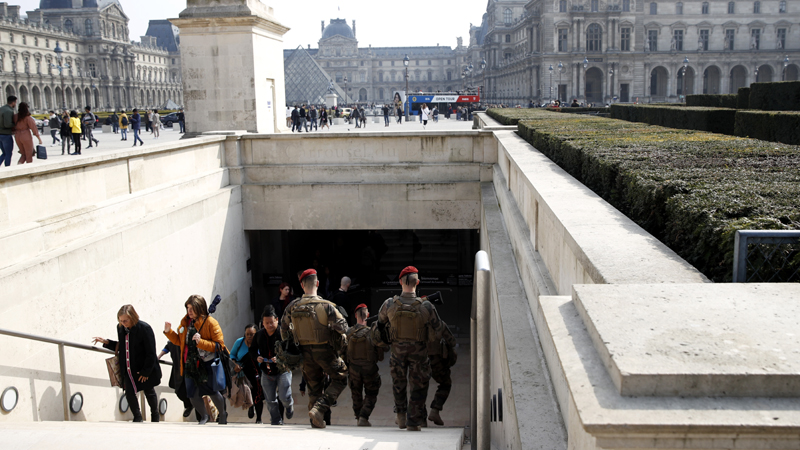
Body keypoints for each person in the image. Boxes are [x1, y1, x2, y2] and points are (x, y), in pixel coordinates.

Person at [377, 266, 444, 431]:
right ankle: (413, 421)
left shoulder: (389, 304)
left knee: (398, 383)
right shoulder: (427, 306)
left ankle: (401, 416)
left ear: (400, 281)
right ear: (418, 282)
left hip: (397, 352)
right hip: (419, 353)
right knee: (419, 384)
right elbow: (438, 328)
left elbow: (380, 323)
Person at [280, 268, 349, 428]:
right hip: (325, 351)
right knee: (341, 377)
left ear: (302, 285)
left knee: (313, 388)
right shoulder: (327, 306)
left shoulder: (292, 306)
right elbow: (344, 328)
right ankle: (320, 408)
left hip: (304, 353)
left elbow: (283, 330)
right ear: (317, 283)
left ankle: (315, 421)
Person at [164, 294, 228, 425]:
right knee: (191, 393)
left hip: (206, 363)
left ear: (200, 308)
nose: (190, 311)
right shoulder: (185, 322)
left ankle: (222, 415)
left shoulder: (211, 323)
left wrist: (201, 342)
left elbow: (219, 346)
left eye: (192, 308)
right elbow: (179, 341)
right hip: (190, 364)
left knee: (212, 391)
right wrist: (169, 332)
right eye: (188, 308)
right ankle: (203, 416)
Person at [93, 305, 162, 422]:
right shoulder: (120, 328)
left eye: (125, 320)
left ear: (133, 317)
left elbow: (151, 352)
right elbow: (123, 345)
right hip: (128, 368)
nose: (123, 323)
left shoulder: (144, 328)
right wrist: (106, 342)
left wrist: (146, 372)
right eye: (120, 320)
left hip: (144, 367)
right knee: (129, 392)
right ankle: (137, 417)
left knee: (149, 391)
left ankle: (155, 416)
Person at [346, 304, 384, 426]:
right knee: (371, 393)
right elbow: (382, 353)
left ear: (355, 316)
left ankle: (358, 417)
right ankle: (364, 416)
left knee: (355, 393)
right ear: (367, 315)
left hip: (353, 369)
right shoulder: (372, 333)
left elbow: (342, 352)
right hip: (369, 369)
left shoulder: (349, 333)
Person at [257, 305, 294, 425]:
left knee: (284, 397)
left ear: (277, 320)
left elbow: (293, 350)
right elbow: (252, 350)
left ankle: (289, 406)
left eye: (271, 322)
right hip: (266, 372)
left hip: (283, 370)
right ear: (262, 323)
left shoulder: (284, 333)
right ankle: (276, 420)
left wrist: (280, 358)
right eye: (266, 323)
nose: (269, 325)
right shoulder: (259, 335)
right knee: (270, 400)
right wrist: (257, 357)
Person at [230, 323, 265, 424]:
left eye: (252, 334)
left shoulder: (259, 343)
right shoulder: (239, 342)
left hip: (257, 373)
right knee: (247, 393)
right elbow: (232, 355)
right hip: (243, 373)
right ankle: (251, 406)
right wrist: (235, 364)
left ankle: (259, 419)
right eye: (247, 334)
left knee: (258, 395)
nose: (249, 336)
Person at [425, 319, 457, 426]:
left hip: (418, 360)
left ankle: (419, 418)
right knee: (445, 384)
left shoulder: (415, 323)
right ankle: (435, 410)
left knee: (418, 388)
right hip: (436, 362)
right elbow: (452, 341)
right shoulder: (439, 324)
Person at [158, 341, 198, 419]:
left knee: (195, 393)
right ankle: (189, 405)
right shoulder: (174, 340)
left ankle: (201, 416)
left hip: (190, 369)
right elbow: (167, 347)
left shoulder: (189, 338)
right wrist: (159, 356)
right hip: (178, 369)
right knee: (179, 391)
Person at [0, 95, 17, 167]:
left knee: (4, 153)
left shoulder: (1, 108)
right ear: (13, 102)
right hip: (6, 135)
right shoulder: (9, 111)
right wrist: (15, 124)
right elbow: (7, 124)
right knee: (8, 153)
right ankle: (7, 168)